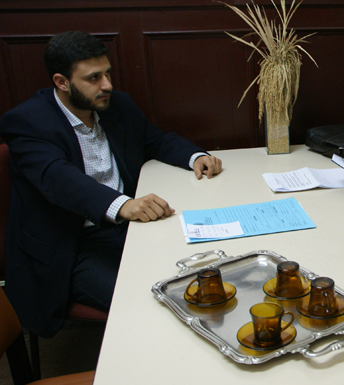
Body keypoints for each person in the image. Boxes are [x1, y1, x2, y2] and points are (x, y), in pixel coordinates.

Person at [0, 31, 223, 337]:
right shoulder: (27, 121)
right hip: (71, 245)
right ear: (62, 82)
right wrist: (124, 205)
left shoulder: (116, 104)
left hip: (126, 228)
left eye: (107, 73)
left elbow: (154, 140)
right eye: (94, 78)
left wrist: (195, 155)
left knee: (205, 274)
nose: (107, 85)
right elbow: (59, 178)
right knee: (153, 305)